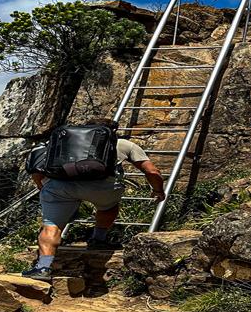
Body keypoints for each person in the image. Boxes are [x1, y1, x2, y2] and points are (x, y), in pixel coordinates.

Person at [21, 118, 166, 281]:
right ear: (113, 132)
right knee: (109, 207)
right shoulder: (123, 144)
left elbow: (36, 166)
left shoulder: (65, 139)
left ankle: (43, 267)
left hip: (60, 187)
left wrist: (43, 186)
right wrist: (158, 190)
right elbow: (152, 172)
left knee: (51, 226)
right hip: (102, 189)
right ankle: (98, 239)